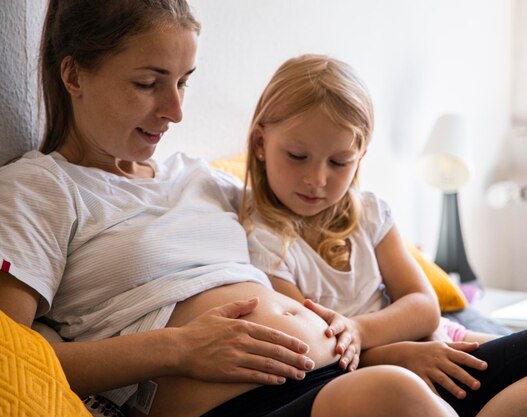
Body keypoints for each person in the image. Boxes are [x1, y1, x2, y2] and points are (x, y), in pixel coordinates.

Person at [0, 1, 463, 417]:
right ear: (74, 75)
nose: (176, 110)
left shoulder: (200, 176)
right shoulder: (41, 188)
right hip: (246, 403)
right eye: (148, 83)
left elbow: (323, 216)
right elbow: (12, 354)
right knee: (394, 394)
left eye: (183, 82)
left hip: (335, 373)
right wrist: (177, 348)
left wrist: (400, 338)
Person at [239, 53, 527, 417]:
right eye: (297, 156)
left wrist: (359, 328)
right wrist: (395, 355)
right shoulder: (262, 241)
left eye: (339, 162)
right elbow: (314, 349)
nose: (317, 179)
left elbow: (424, 305)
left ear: (360, 157)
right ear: (260, 144)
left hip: (438, 339)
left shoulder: (370, 213)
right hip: (382, 375)